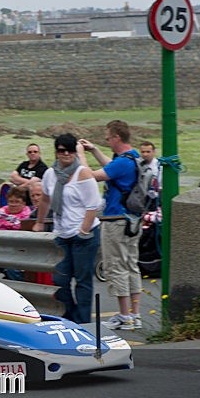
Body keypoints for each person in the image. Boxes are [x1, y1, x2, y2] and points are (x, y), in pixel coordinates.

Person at [78, 120, 142, 330]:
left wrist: (81, 154)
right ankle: (135, 314)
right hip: (132, 219)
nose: (106, 141)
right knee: (131, 265)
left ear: (116, 137)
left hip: (116, 220)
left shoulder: (122, 162)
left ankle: (124, 316)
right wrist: (95, 150)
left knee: (116, 266)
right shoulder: (133, 158)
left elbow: (91, 177)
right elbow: (110, 167)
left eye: (107, 138)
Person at [34, 134, 101, 324]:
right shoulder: (50, 174)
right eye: (62, 150)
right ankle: (70, 318)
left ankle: (83, 322)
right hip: (62, 234)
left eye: (70, 150)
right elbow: (46, 199)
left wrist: (84, 231)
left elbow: (93, 206)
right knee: (60, 281)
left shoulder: (83, 173)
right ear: (56, 152)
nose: (66, 154)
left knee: (82, 281)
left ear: (75, 152)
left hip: (83, 235)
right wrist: (39, 222)